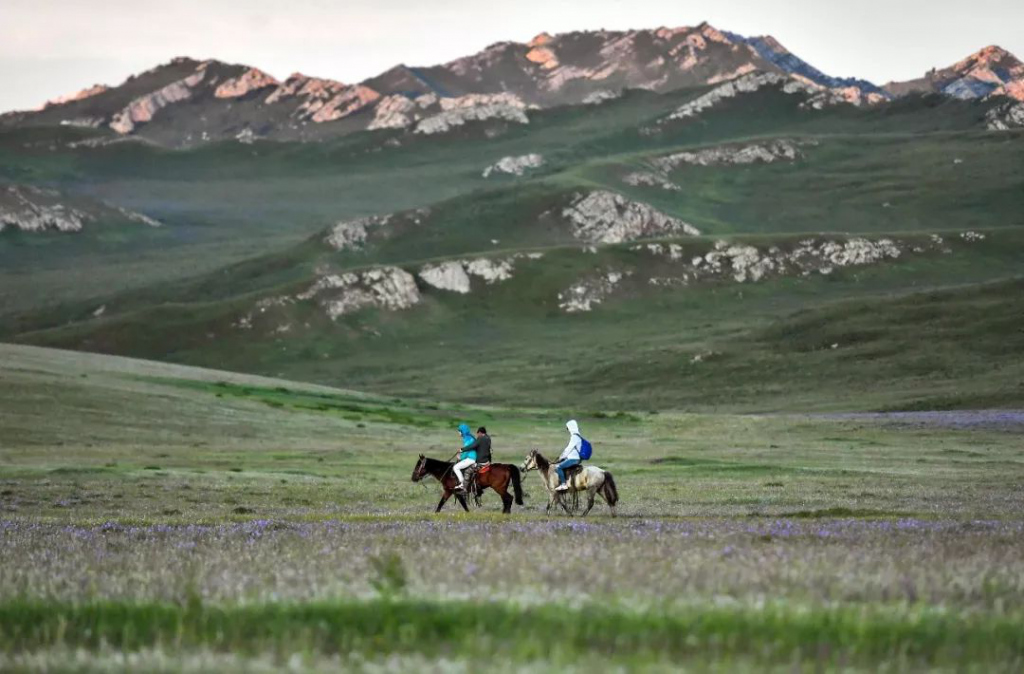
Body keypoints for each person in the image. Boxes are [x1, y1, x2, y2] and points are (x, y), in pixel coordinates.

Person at [454, 427, 492, 492]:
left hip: (481, 461)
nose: (477, 436)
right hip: (487, 461)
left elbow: (472, 446)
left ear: (480, 433)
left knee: (467, 471)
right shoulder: (488, 438)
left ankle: (464, 488)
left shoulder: (480, 438)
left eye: (477, 434)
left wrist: (462, 449)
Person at [555, 420, 583, 491]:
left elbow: (569, 449)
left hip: (573, 459)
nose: (567, 430)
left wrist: (561, 457)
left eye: (567, 428)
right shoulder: (577, 436)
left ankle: (563, 484)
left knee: (558, 468)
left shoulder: (574, 437)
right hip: (574, 458)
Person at [452, 423, 478, 492]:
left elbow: (466, 450)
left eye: (459, 431)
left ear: (462, 431)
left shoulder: (467, 439)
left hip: (471, 459)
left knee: (455, 467)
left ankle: (462, 484)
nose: (458, 433)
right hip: (472, 457)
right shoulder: (470, 437)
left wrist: (460, 457)